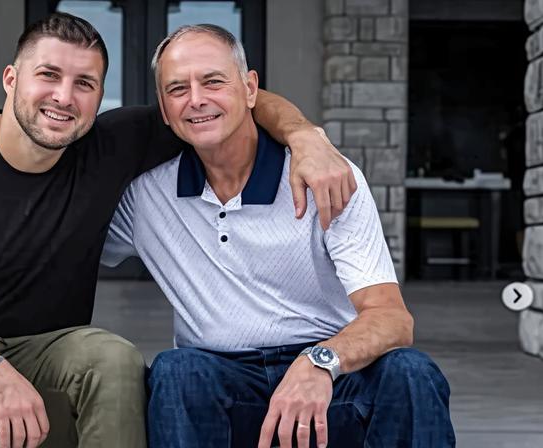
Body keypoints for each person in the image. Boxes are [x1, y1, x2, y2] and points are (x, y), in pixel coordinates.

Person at [0, 13, 356, 448]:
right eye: (48, 75)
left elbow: (234, 102)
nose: (64, 97)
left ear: (100, 97)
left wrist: (307, 137)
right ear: (12, 78)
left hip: (47, 380)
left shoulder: (112, 146)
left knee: (110, 359)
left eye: (84, 83)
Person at [102, 24, 456, 448]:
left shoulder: (325, 176)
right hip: (221, 387)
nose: (196, 99)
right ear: (163, 108)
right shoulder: (145, 196)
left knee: (410, 373)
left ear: (251, 89)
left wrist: (321, 362)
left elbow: (392, 318)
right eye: (178, 88)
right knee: (177, 372)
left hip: (332, 383)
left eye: (213, 81)